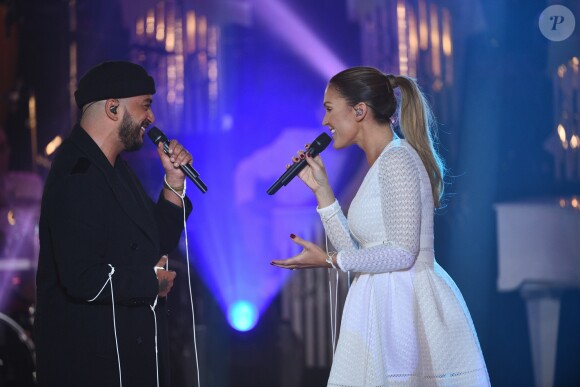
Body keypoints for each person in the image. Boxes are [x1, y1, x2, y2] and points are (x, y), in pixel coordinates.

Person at [271, 66, 490, 386]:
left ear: (359, 111)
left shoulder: (398, 159)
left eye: (330, 109)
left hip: (403, 307)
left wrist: (329, 260)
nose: (324, 122)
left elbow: (402, 253)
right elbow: (358, 253)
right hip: (380, 302)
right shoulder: (383, 163)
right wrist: (322, 191)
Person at [35, 61, 193, 387]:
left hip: (127, 362)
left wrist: (174, 181)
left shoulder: (118, 170)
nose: (151, 119)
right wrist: (153, 284)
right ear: (112, 107)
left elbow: (157, 240)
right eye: (145, 106)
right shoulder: (76, 173)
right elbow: (83, 278)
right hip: (91, 367)